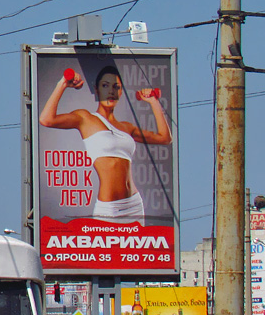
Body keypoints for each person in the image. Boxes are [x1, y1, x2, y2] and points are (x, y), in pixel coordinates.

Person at [39, 65, 172, 224]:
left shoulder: (127, 127)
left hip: (135, 205)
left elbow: (165, 138)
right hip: (109, 209)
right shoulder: (85, 118)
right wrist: (63, 84)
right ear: (96, 89)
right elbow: (46, 120)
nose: (111, 91)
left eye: (116, 87)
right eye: (105, 86)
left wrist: (153, 101)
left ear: (121, 92)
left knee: (139, 249)